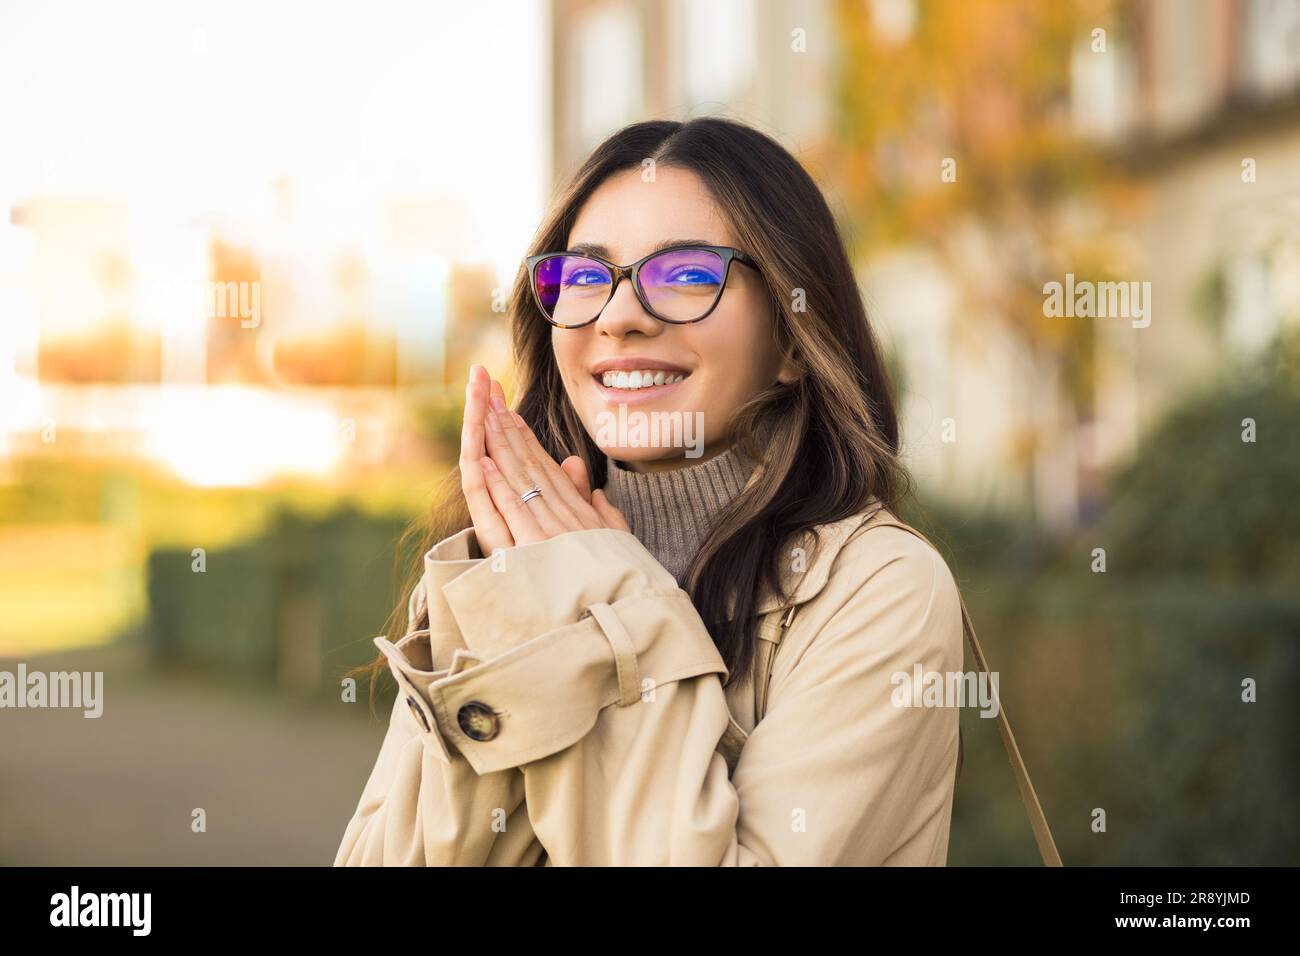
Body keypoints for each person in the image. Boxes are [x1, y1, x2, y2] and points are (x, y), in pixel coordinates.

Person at [333, 116, 964, 866]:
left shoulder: (880, 590)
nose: (621, 315)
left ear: (794, 339)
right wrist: (517, 619)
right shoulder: (495, 576)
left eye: (689, 274)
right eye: (585, 277)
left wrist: (604, 603)